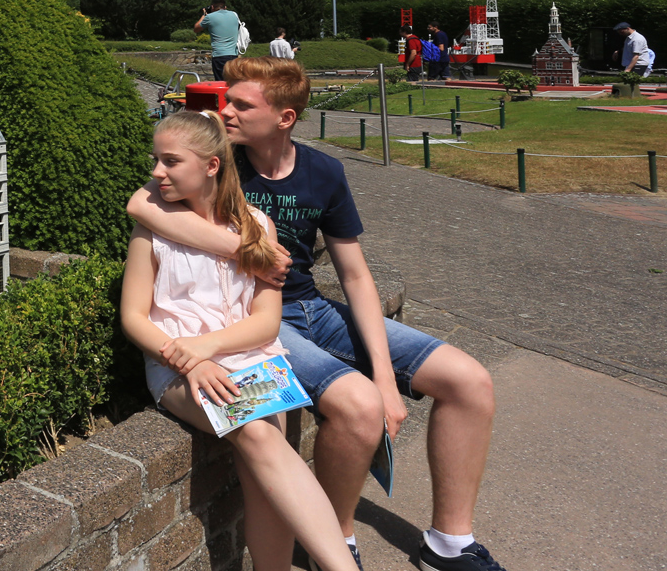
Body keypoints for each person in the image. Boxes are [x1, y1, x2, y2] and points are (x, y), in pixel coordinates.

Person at [128, 57, 504, 571]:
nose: (226, 110)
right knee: (352, 407)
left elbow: (354, 275)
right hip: (259, 323)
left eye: (241, 103)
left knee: (470, 381)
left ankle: (450, 542)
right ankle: (336, 537)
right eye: (227, 100)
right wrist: (247, 249)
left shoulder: (322, 171)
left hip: (305, 309)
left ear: (285, 117)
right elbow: (141, 207)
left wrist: (388, 378)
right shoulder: (209, 160)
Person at [122, 109, 358, 571]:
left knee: (267, 488)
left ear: (212, 165)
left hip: (254, 357)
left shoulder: (258, 227)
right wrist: (191, 361)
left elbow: (266, 324)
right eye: (156, 159)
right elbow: (133, 317)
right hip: (175, 365)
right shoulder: (151, 227)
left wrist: (208, 349)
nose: (156, 172)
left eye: (171, 161)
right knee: (258, 434)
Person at [195, 0, 242, 82]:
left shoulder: (209, 17)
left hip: (220, 56)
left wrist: (204, 14)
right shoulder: (234, 15)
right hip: (234, 55)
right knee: (233, 82)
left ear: (212, 7)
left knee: (221, 83)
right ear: (225, 7)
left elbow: (196, 28)